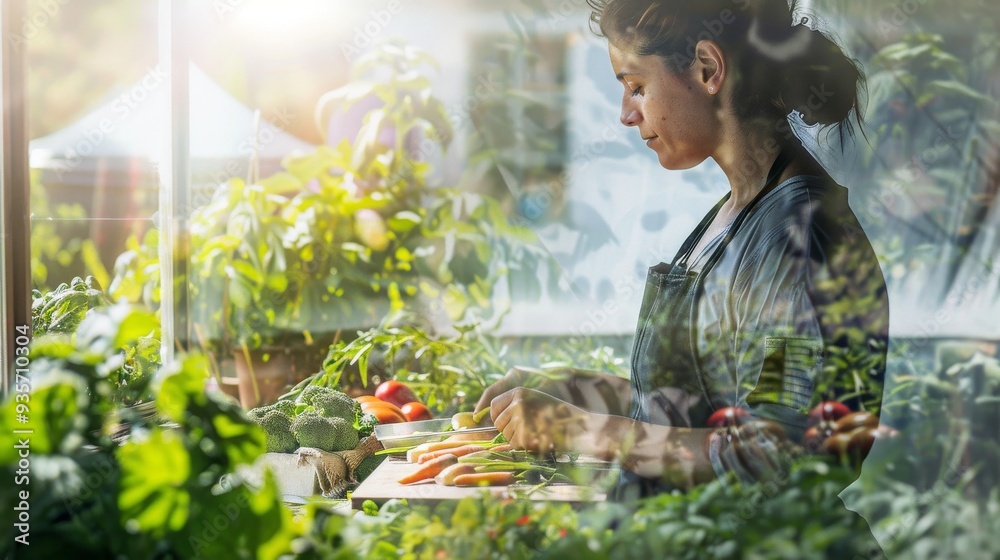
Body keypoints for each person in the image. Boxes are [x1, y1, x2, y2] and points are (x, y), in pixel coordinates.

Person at [474, 0, 889, 499]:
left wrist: (585, 430)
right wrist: (576, 387)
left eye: (637, 87)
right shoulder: (736, 212)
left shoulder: (796, 235)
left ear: (708, 68)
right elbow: (708, 407)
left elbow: (779, 452)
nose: (626, 114)